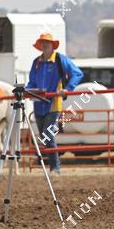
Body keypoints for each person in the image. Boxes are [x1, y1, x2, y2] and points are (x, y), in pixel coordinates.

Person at [25, 33, 83, 174]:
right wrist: (26, 90)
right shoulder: (36, 62)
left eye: (47, 42)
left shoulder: (60, 59)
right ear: (40, 46)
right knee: (44, 137)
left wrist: (68, 89)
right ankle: (53, 167)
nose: (44, 45)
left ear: (52, 45)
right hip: (38, 104)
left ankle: (55, 168)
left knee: (47, 134)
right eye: (42, 43)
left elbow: (77, 73)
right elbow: (32, 81)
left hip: (54, 104)